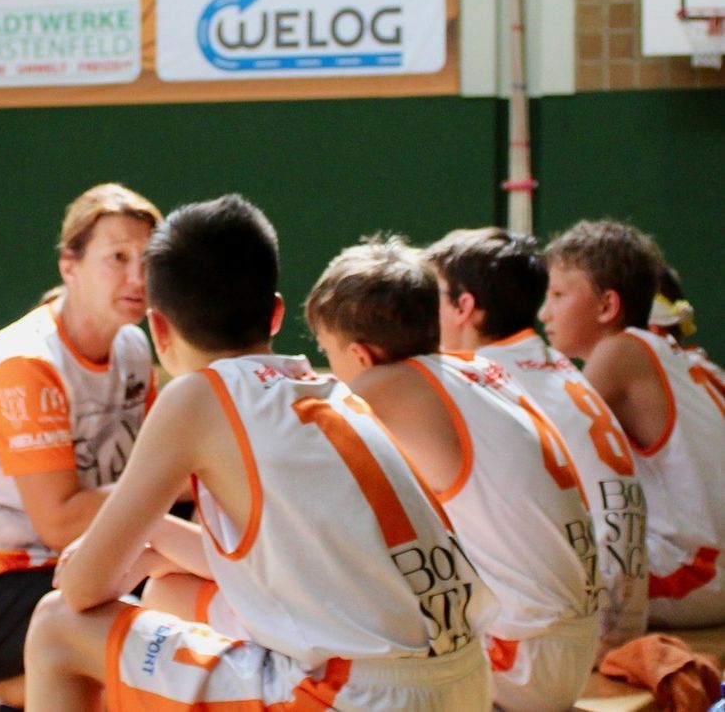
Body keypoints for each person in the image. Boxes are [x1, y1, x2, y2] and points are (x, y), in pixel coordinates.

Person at [24, 194, 498, 711]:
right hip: (465, 682)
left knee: (56, 626)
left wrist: (90, 566)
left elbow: (82, 589)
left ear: (158, 329)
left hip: (359, 695)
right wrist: (160, 541)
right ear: (275, 314)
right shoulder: (331, 394)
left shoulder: (197, 398)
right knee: (173, 595)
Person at [305, 237, 601, 712]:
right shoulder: (479, 369)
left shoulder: (383, 388)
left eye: (326, 350)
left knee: (277, 616)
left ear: (360, 355)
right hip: (567, 647)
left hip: (522, 659)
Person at [0, 183, 162, 711]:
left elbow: (151, 472)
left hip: (70, 563)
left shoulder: (133, 348)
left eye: (149, 259)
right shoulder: (27, 363)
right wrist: (170, 483)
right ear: (69, 266)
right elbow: (60, 518)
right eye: (117, 258)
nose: (138, 278)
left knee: (175, 600)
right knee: (151, 633)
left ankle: (18, 691)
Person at [425, 227, 648, 659]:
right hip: (618, 617)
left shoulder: (473, 381)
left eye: (432, 293)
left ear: (464, 307)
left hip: (569, 640)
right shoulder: (555, 368)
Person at [540, 219, 725, 628]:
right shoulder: (677, 356)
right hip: (711, 571)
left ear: (607, 306)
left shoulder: (620, 352)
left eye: (557, 295)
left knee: (521, 572)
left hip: (691, 575)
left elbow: (544, 450)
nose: (544, 313)